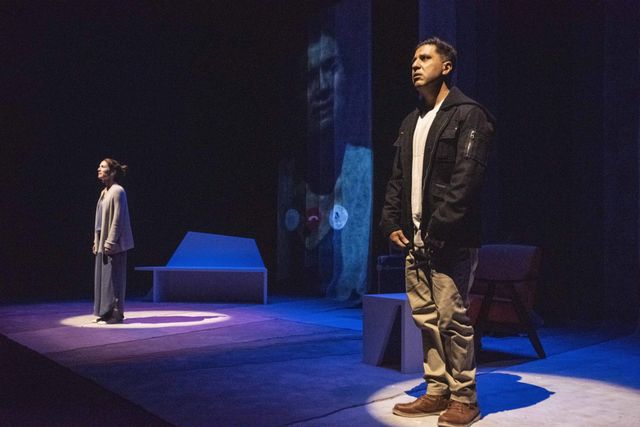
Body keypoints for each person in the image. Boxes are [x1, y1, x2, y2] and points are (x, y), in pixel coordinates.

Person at [380, 37, 495, 427]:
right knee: (426, 318)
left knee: (452, 318)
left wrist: (439, 228)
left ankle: (464, 397)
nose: (415, 64)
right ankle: (436, 390)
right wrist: (391, 221)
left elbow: (467, 179)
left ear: (446, 67)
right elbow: (398, 178)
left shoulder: (469, 114)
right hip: (415, 240)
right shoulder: (412, 120)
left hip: (451, 239)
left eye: (425, 58)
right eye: (413, 58)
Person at [93, 158, 134, 324]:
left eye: (103, 166)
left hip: (114, 244)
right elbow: (98, 220)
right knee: (104, 280)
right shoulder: (104, 192)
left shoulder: (118, 191)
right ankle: (105, 312)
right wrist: (96, 240)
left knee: (115, 279)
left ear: (113, 172)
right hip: (103, 242)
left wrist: (110, 242)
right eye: (99, 166)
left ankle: (116, 314)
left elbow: (118, 219)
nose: (99, 169)